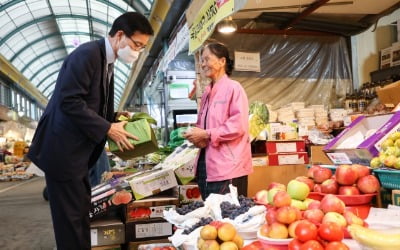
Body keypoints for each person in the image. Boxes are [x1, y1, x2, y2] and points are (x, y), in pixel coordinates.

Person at [28, 12, 153, 249]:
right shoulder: (86, 55)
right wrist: (108, 128)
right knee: (71, 221)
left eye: (142, 47)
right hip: (63, 154)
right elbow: (70, 101)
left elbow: (92, 103)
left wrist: (114, 117)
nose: (137, 51)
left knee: (80, 213)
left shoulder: (107, 61)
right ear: (119, 35)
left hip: (78, 157)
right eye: (137, 44)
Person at [184, 42, 253, 200]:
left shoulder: (234, 88)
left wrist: (207, 134)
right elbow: (203, 124)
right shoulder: (207, 92)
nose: (203, 64)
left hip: (228, 167)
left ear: (222, 61)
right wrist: (196, 137)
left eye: (207, 59)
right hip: (207, 166)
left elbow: (238, 126)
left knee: (228, 218)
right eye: (202, 60)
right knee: (212, 218)